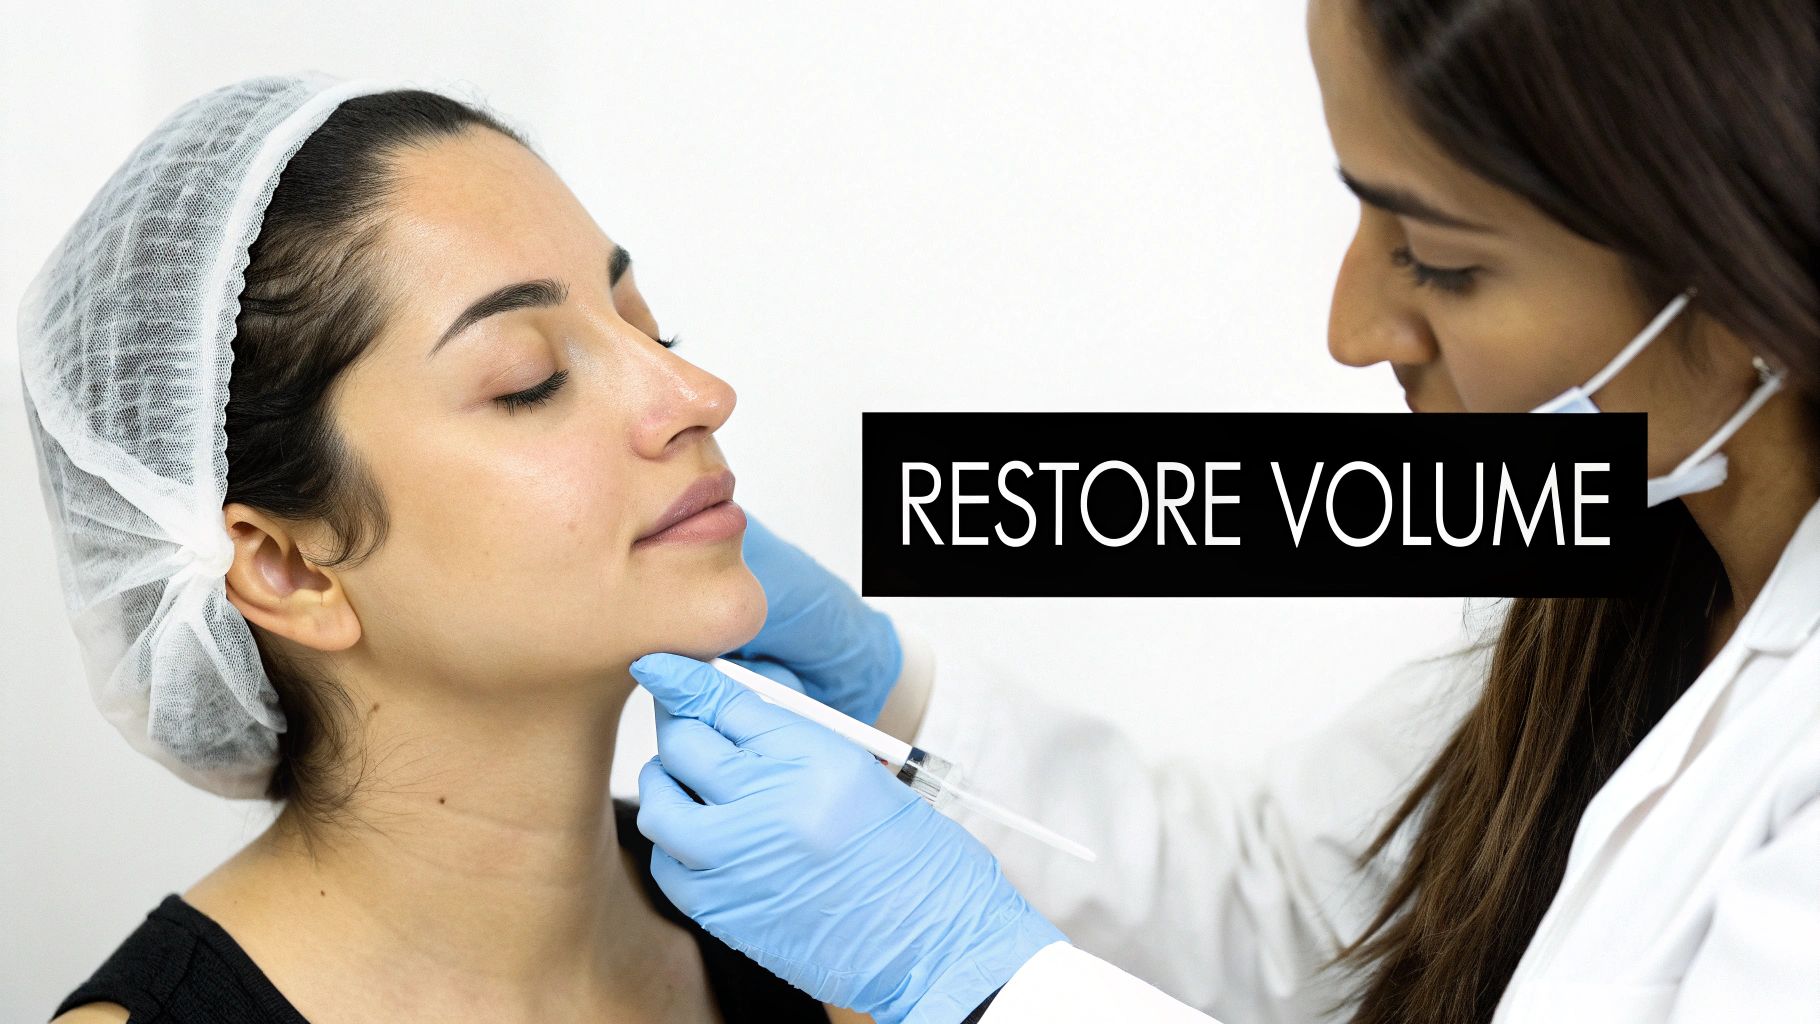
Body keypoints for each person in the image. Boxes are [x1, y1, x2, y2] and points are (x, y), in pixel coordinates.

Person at [627, 0, 1820, 1021]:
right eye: (526, 384)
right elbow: (1313, 910)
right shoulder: (1645, 563)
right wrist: (888, 690)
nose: (1351, 333)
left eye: (1440, 257)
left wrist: (970, 974)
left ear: (1747, 263)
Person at [22, 74, 858, 1023]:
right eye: (530, 381)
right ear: (284, 567)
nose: (699, 393)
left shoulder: (813, 942)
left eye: (644, 325)